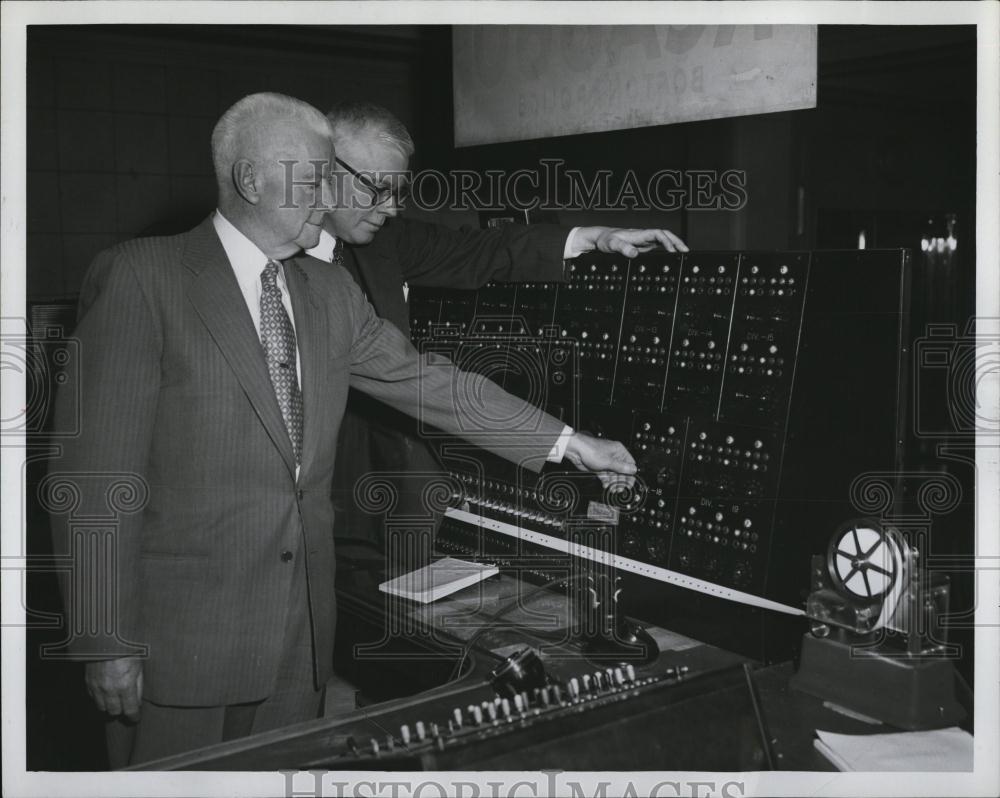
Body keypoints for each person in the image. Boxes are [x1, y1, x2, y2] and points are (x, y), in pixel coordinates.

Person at [48, 92, 638, 768]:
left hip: (300, 648)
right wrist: (105, 641)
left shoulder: (329, 293)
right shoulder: (141, 278)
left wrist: (567, 443)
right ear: (252, 179)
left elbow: (429, 381)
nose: (333, 192)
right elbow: (92, 481)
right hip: (177, 653)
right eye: (318, 172)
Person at [307, 101, 687, 554]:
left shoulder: (384, 240)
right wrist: (570, 443)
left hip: (392, 499)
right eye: (377, 189)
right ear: (323, 175)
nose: (391, 208)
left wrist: (592, 237)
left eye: (398, 191)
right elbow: (411, 377)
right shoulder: (279, 271)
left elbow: (479, 249)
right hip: (315, 499)